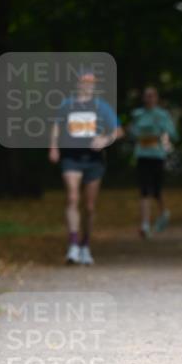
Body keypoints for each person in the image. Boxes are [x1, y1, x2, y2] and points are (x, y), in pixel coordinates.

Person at [49, 71, 122, 265]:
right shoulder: (67, 105)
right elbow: (56, 126)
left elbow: (118, 130)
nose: (87, 85)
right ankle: (73, 245)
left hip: (94, 160)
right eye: (84, 82)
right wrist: (54, 147)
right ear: (78, 84)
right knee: (72, 197)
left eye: (91, 83)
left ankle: (85, 245)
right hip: (71, 158)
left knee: (89, 206)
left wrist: (105, 139)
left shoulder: (101, 107)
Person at [128, 86, 177, 237]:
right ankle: (145, 224)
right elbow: (132, 133)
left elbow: (174, 134)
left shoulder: (162, 115)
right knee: (144, 190)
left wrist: (163, 130)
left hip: (157, 156)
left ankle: (163, 212)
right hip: (142, 156)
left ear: (156, 98)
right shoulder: (137, 115)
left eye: (152, 95)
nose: (149, 98)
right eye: (147, 95)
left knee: (156, 190)